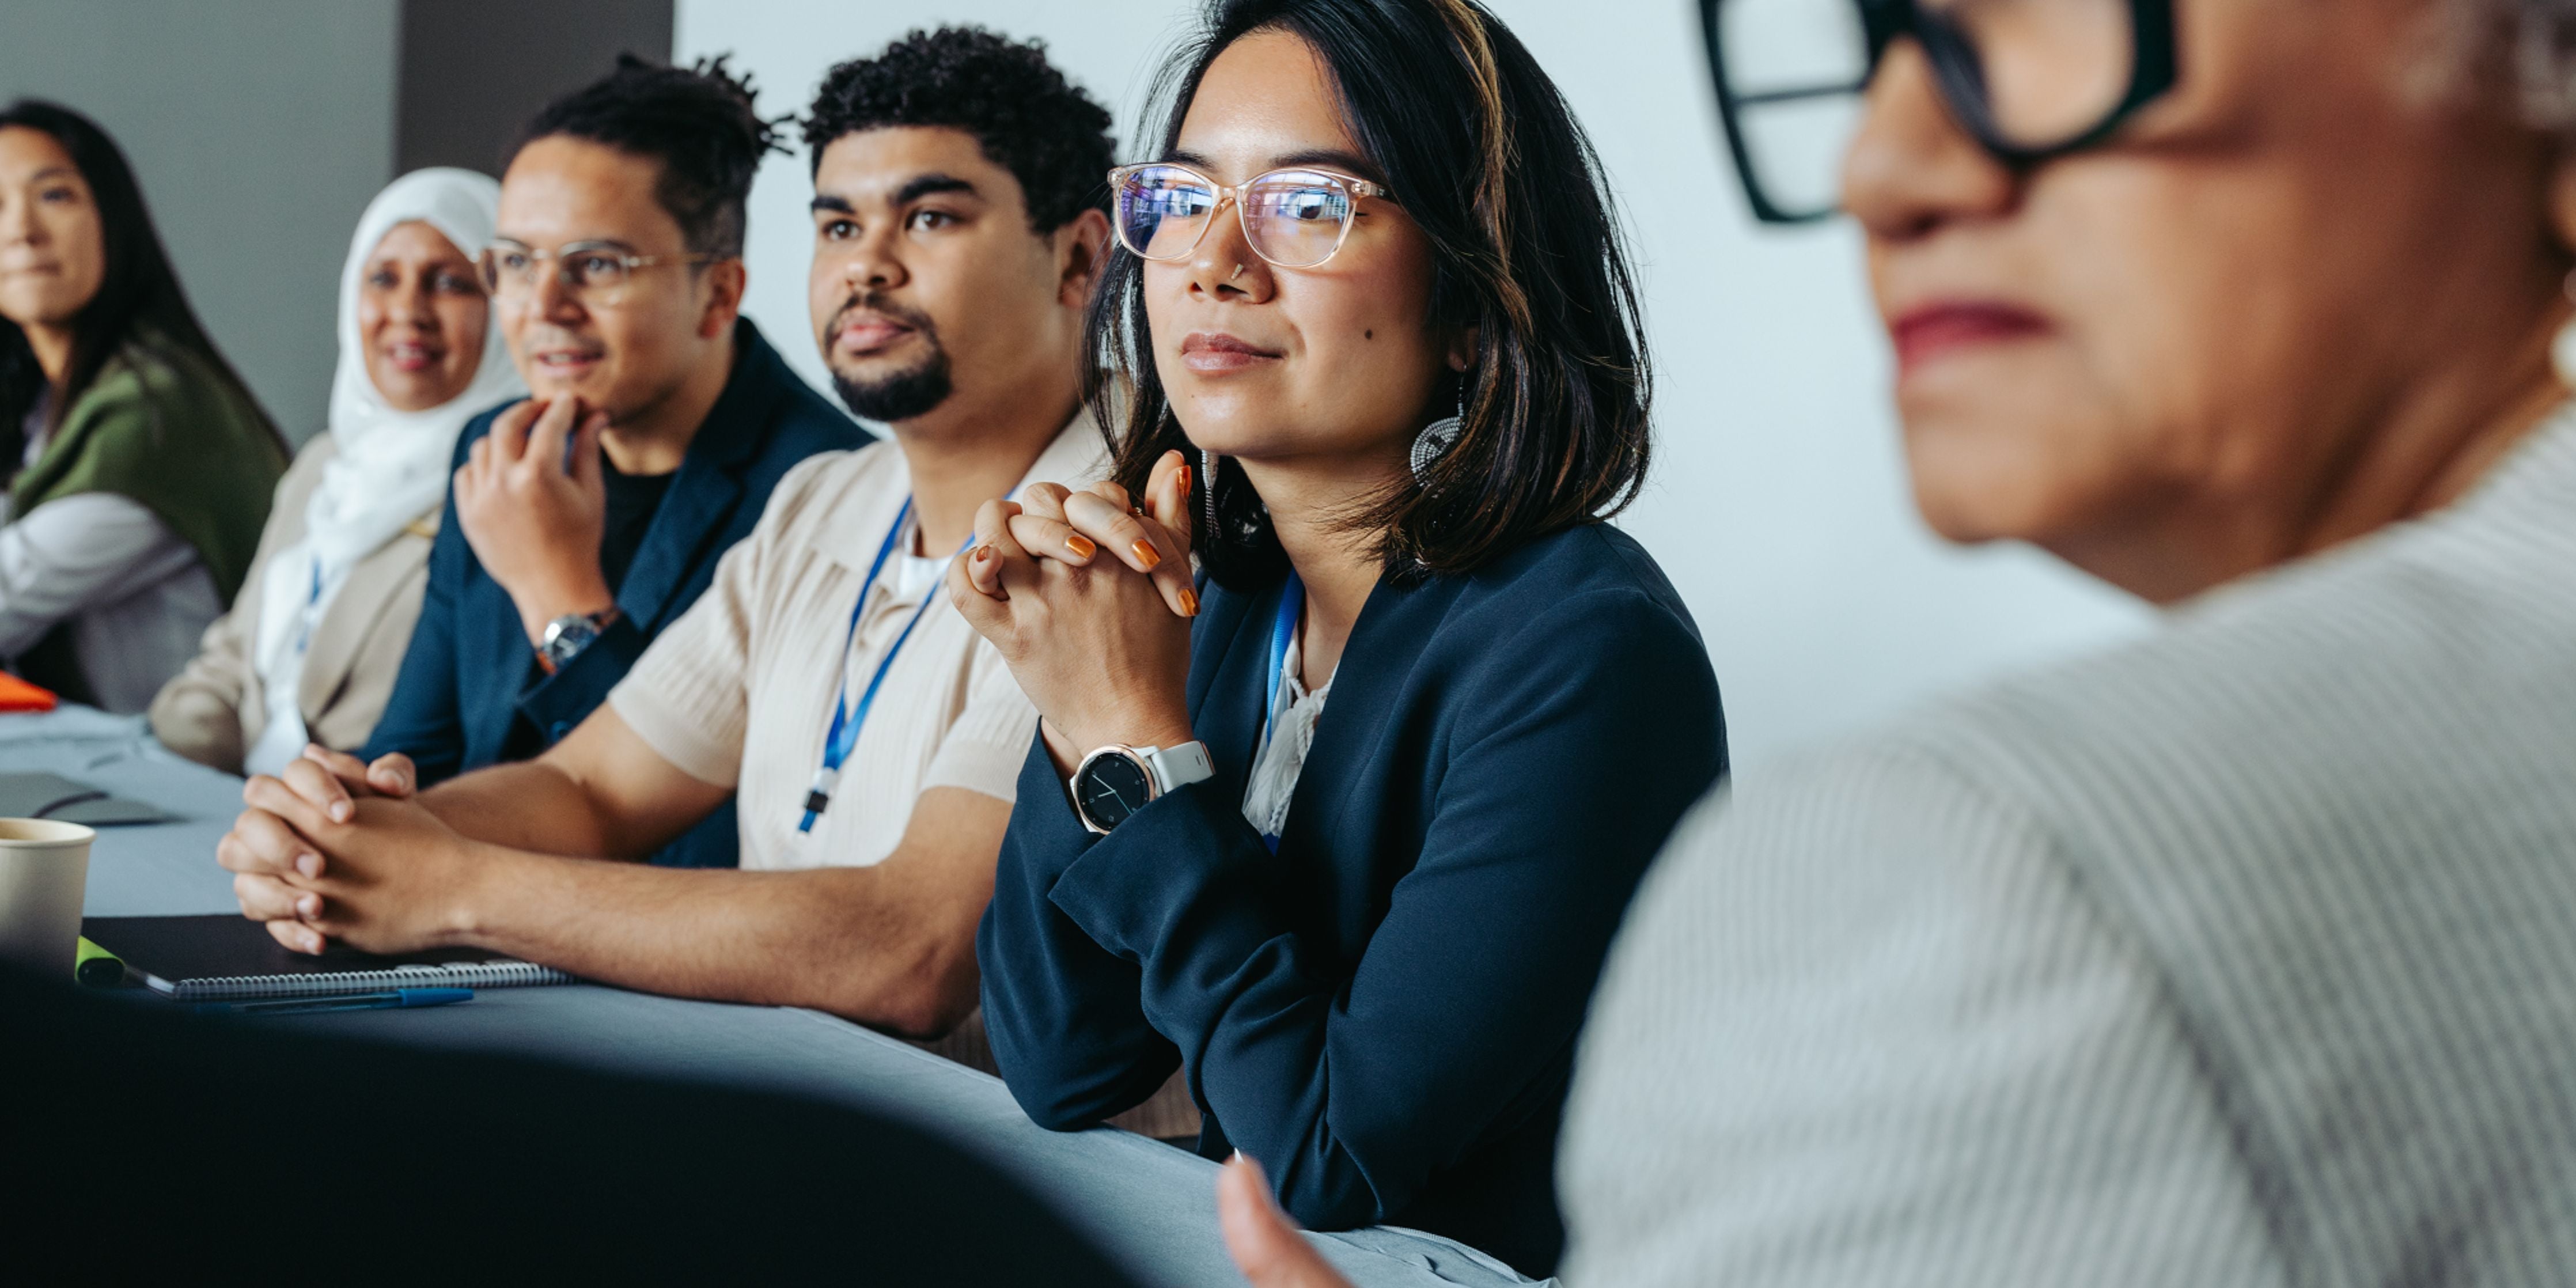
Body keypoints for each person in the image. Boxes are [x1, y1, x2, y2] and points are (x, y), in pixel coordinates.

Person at [1224, 0, 2576, 1283]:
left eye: (2042, 21)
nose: (1880, 165)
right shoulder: (1204, 595)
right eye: (1878, 40)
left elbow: (1328, 1141)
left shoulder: (1997, 871)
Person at [952, 0, 1726, 1275]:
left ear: (1476, 299)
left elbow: (1329, 1159)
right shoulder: (1220, 591)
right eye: (1183, 199)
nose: (1214, 264)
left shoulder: (1584, 648)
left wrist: (1134, 743)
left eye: (1310, 205)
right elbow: (1062, 1057)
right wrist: (1078, 687)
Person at [214, 31, 1131, 1055]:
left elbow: (908, 952)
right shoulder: (824, 503)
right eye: (837, 224)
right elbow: (590, 790)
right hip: (790, 1099)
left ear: (1081, 256)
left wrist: (454, 886)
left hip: (1013, 1171)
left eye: (928, 217)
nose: (865, 265)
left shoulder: (1115, 524)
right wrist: (348, 829)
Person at [360, 56, 867, 869]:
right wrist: (338, 814)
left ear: (719, 294)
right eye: (518, 263)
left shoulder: (832, 492)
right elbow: (413, 754)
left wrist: (559, 601)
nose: (544, 309)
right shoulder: (497, 449)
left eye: (597, 265)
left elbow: (722, 852)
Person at [150, 169, 524, 775]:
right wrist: (169, 772)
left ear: (507, 306)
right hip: (239, 806)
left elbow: (445, 734)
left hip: (367, 817)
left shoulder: (506, 483)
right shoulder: (326, 463)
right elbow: (231, 661)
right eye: (383, 279)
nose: (408, 311)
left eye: (450, 282)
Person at [0, 100, 286, 713]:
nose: (21, 230)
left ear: (112, 215)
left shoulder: (158, 414)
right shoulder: (41, 404)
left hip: (182, 775)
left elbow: (9, 594)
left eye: (53, 196)